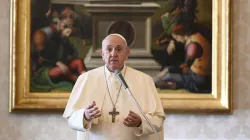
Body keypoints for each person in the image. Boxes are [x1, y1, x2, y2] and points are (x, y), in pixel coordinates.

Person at [63, 33, 166, 140]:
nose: (114, 54)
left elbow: (158, 119)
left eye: (119, 49)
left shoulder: (144, 80)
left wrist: (141, 122)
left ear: (127, 53)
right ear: (102, 54)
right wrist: (85, 116)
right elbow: (71, 118)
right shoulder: (86, 79)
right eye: (109, 49)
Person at [154, 25, 211, 93]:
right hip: (195, 74)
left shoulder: (192, 46)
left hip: (198, 79)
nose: (177, 40)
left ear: (181, 35)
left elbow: (185, 68)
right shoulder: (195, 37)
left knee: (168, 76)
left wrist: (167, 71)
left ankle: (150, 83)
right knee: (166, 73)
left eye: (176, 37)